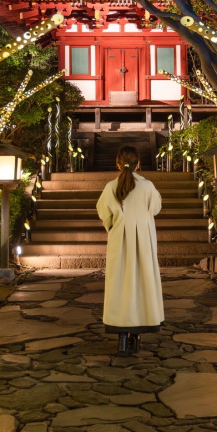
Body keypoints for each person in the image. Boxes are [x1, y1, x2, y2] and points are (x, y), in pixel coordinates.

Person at [95, 145, 164, 355]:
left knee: (120, 284)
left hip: (120, 241)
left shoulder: (111, 187)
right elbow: (155, 208)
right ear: (138, 163)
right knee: (143, 283)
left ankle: (122, 339)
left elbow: (103, 213)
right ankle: (137, 334)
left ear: (118, 164)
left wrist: (114, 227)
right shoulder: (148, 186)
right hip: (144, 241)